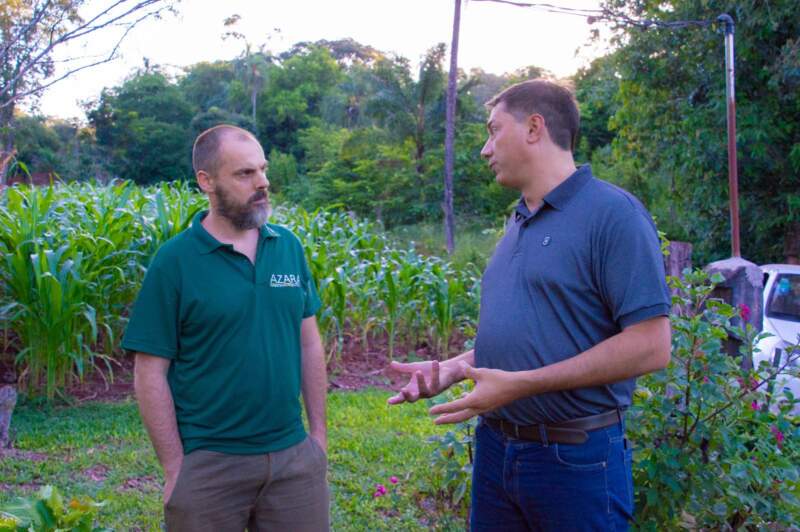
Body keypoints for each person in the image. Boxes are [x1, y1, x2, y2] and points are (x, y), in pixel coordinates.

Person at [388, 80, 672, 531]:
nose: (485, 148)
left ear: (535, 127)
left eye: (493, 130)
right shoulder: (518, 221)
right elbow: (541, 334)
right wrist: (456, 369)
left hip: (575, 460)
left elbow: (651, 345)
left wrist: (520, 384)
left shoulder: (613, 215)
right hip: (498, 451)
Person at [123, 125, 329, 531]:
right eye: (244, 174)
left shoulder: (287, 247)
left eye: (263, 170)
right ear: (207, 181)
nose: (263, 182)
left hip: (293, 458)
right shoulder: (176, 261)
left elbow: (308, 344)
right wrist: (174, 468)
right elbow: (150, 370)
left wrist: (317, 438)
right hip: (210, 465)